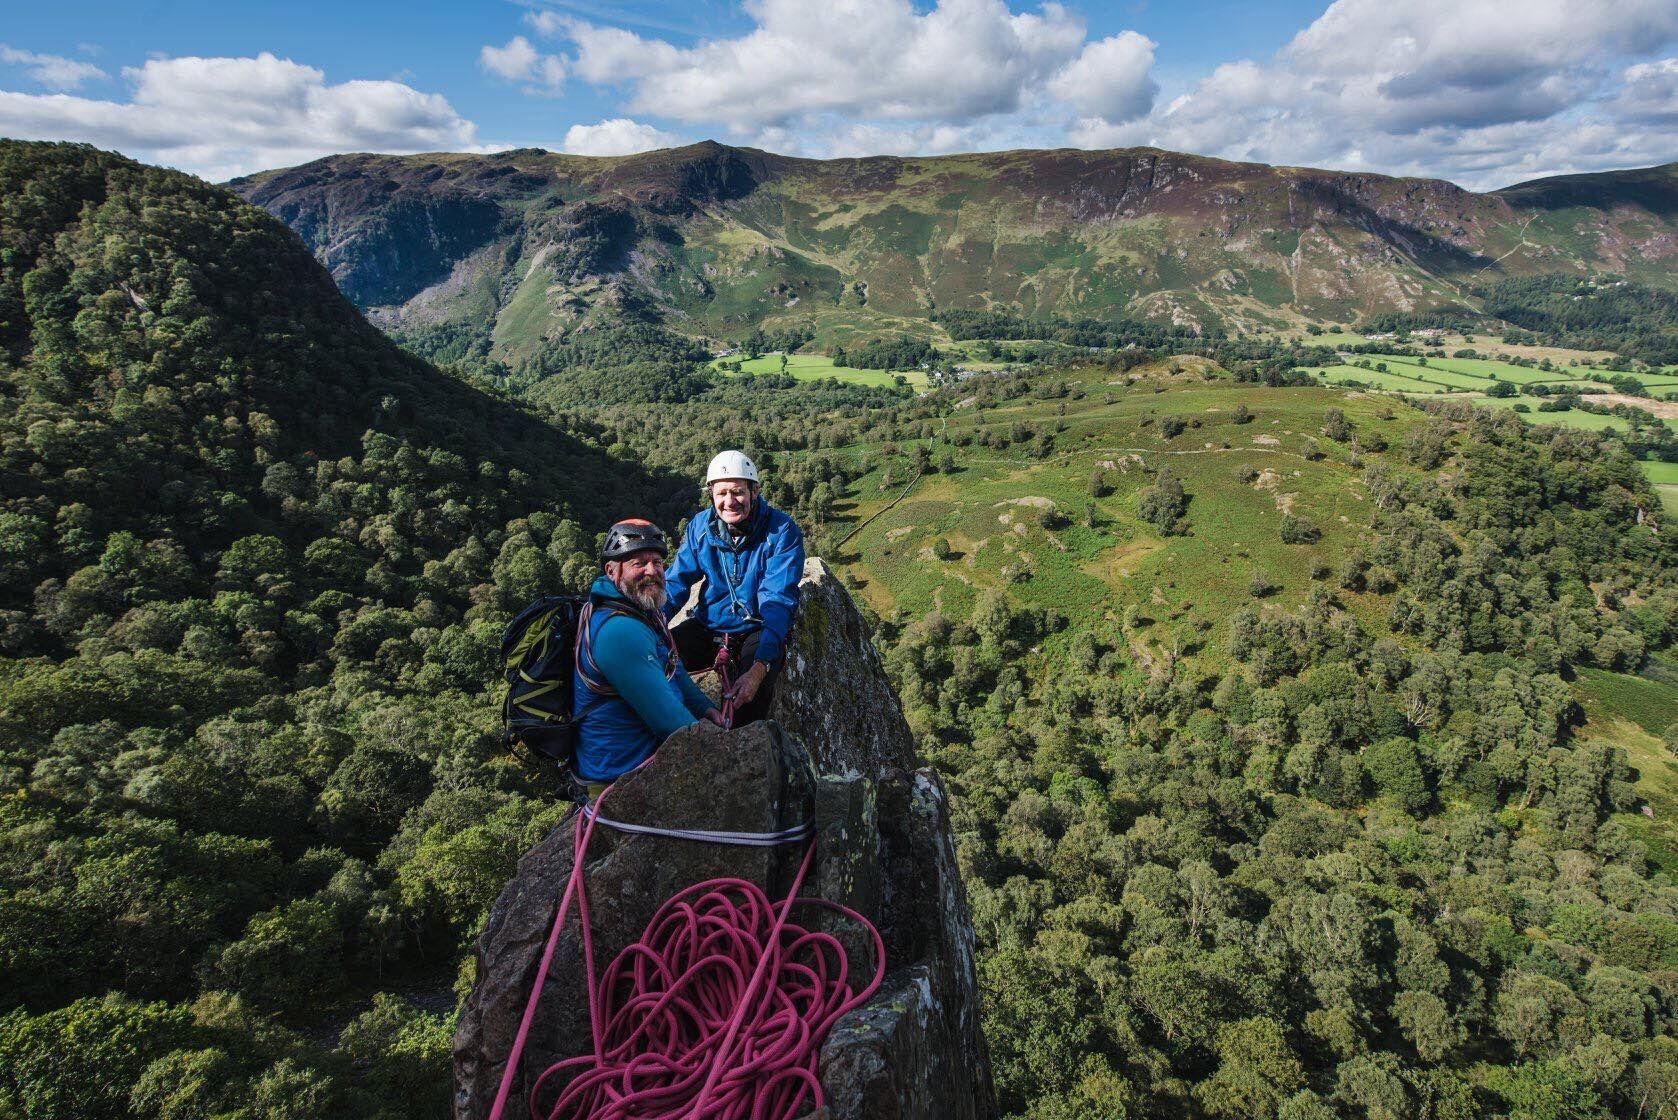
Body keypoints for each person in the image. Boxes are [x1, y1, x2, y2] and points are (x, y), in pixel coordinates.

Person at [574, 519, 725, 798]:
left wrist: (704, 707)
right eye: (639, 563)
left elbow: (673, 666)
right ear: (611, 570)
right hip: (622, 779)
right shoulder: (620, 631)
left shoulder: (642, 610)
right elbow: (668, 721)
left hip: (636, 761)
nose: (652, 571)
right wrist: (721, 748)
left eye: (657, 562)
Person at [664, 450, 805, 725]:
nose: (730, 501)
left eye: (738, 492)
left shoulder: (781, 531)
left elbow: (777, 599)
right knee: (655, 663)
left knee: (748, 702)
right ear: (712, 496)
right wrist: (650, 624)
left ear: (755, 491)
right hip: (709, 625)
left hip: (756, 627)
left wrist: (759, 667)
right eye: (722, 494)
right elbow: (676, 582)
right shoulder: (700, 528)